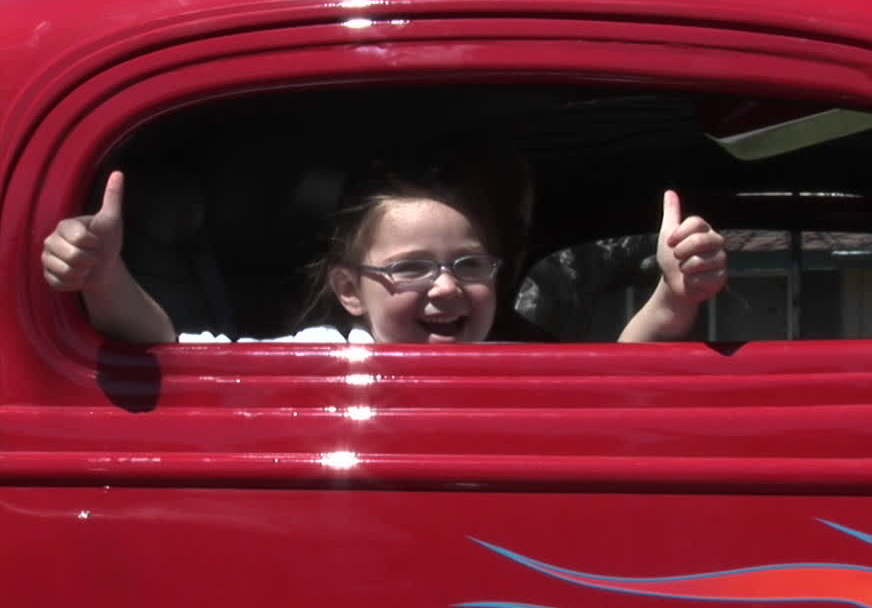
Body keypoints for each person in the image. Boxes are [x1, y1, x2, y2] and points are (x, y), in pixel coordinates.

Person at [40, 156, 727, 344]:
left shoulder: (505, 363)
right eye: (410, 269)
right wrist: (103, 277)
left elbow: (622, 381)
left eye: (468, 264)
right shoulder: (318, 355)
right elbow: (171, 346)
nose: (446, 289)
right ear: (348, 289)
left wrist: (674, 294)